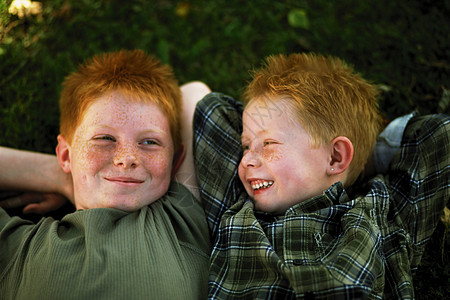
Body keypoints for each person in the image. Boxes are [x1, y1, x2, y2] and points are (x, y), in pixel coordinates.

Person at [193, 53, 449, 298]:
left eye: (269, 143)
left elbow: (439, 134)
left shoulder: (383, 212)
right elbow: (212, 109)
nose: (246, 159)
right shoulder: (236, 209)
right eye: (246, 146)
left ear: (336, 157)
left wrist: (363, 156)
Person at [0, 49, 211, 299]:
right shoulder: (22, 249)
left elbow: (194, 95)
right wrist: (61, 174)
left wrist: (70, 175)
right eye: (104, 138)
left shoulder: (181, 220)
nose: (127, 159)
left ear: (175, 161)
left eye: (150, 142)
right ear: (66, 155)